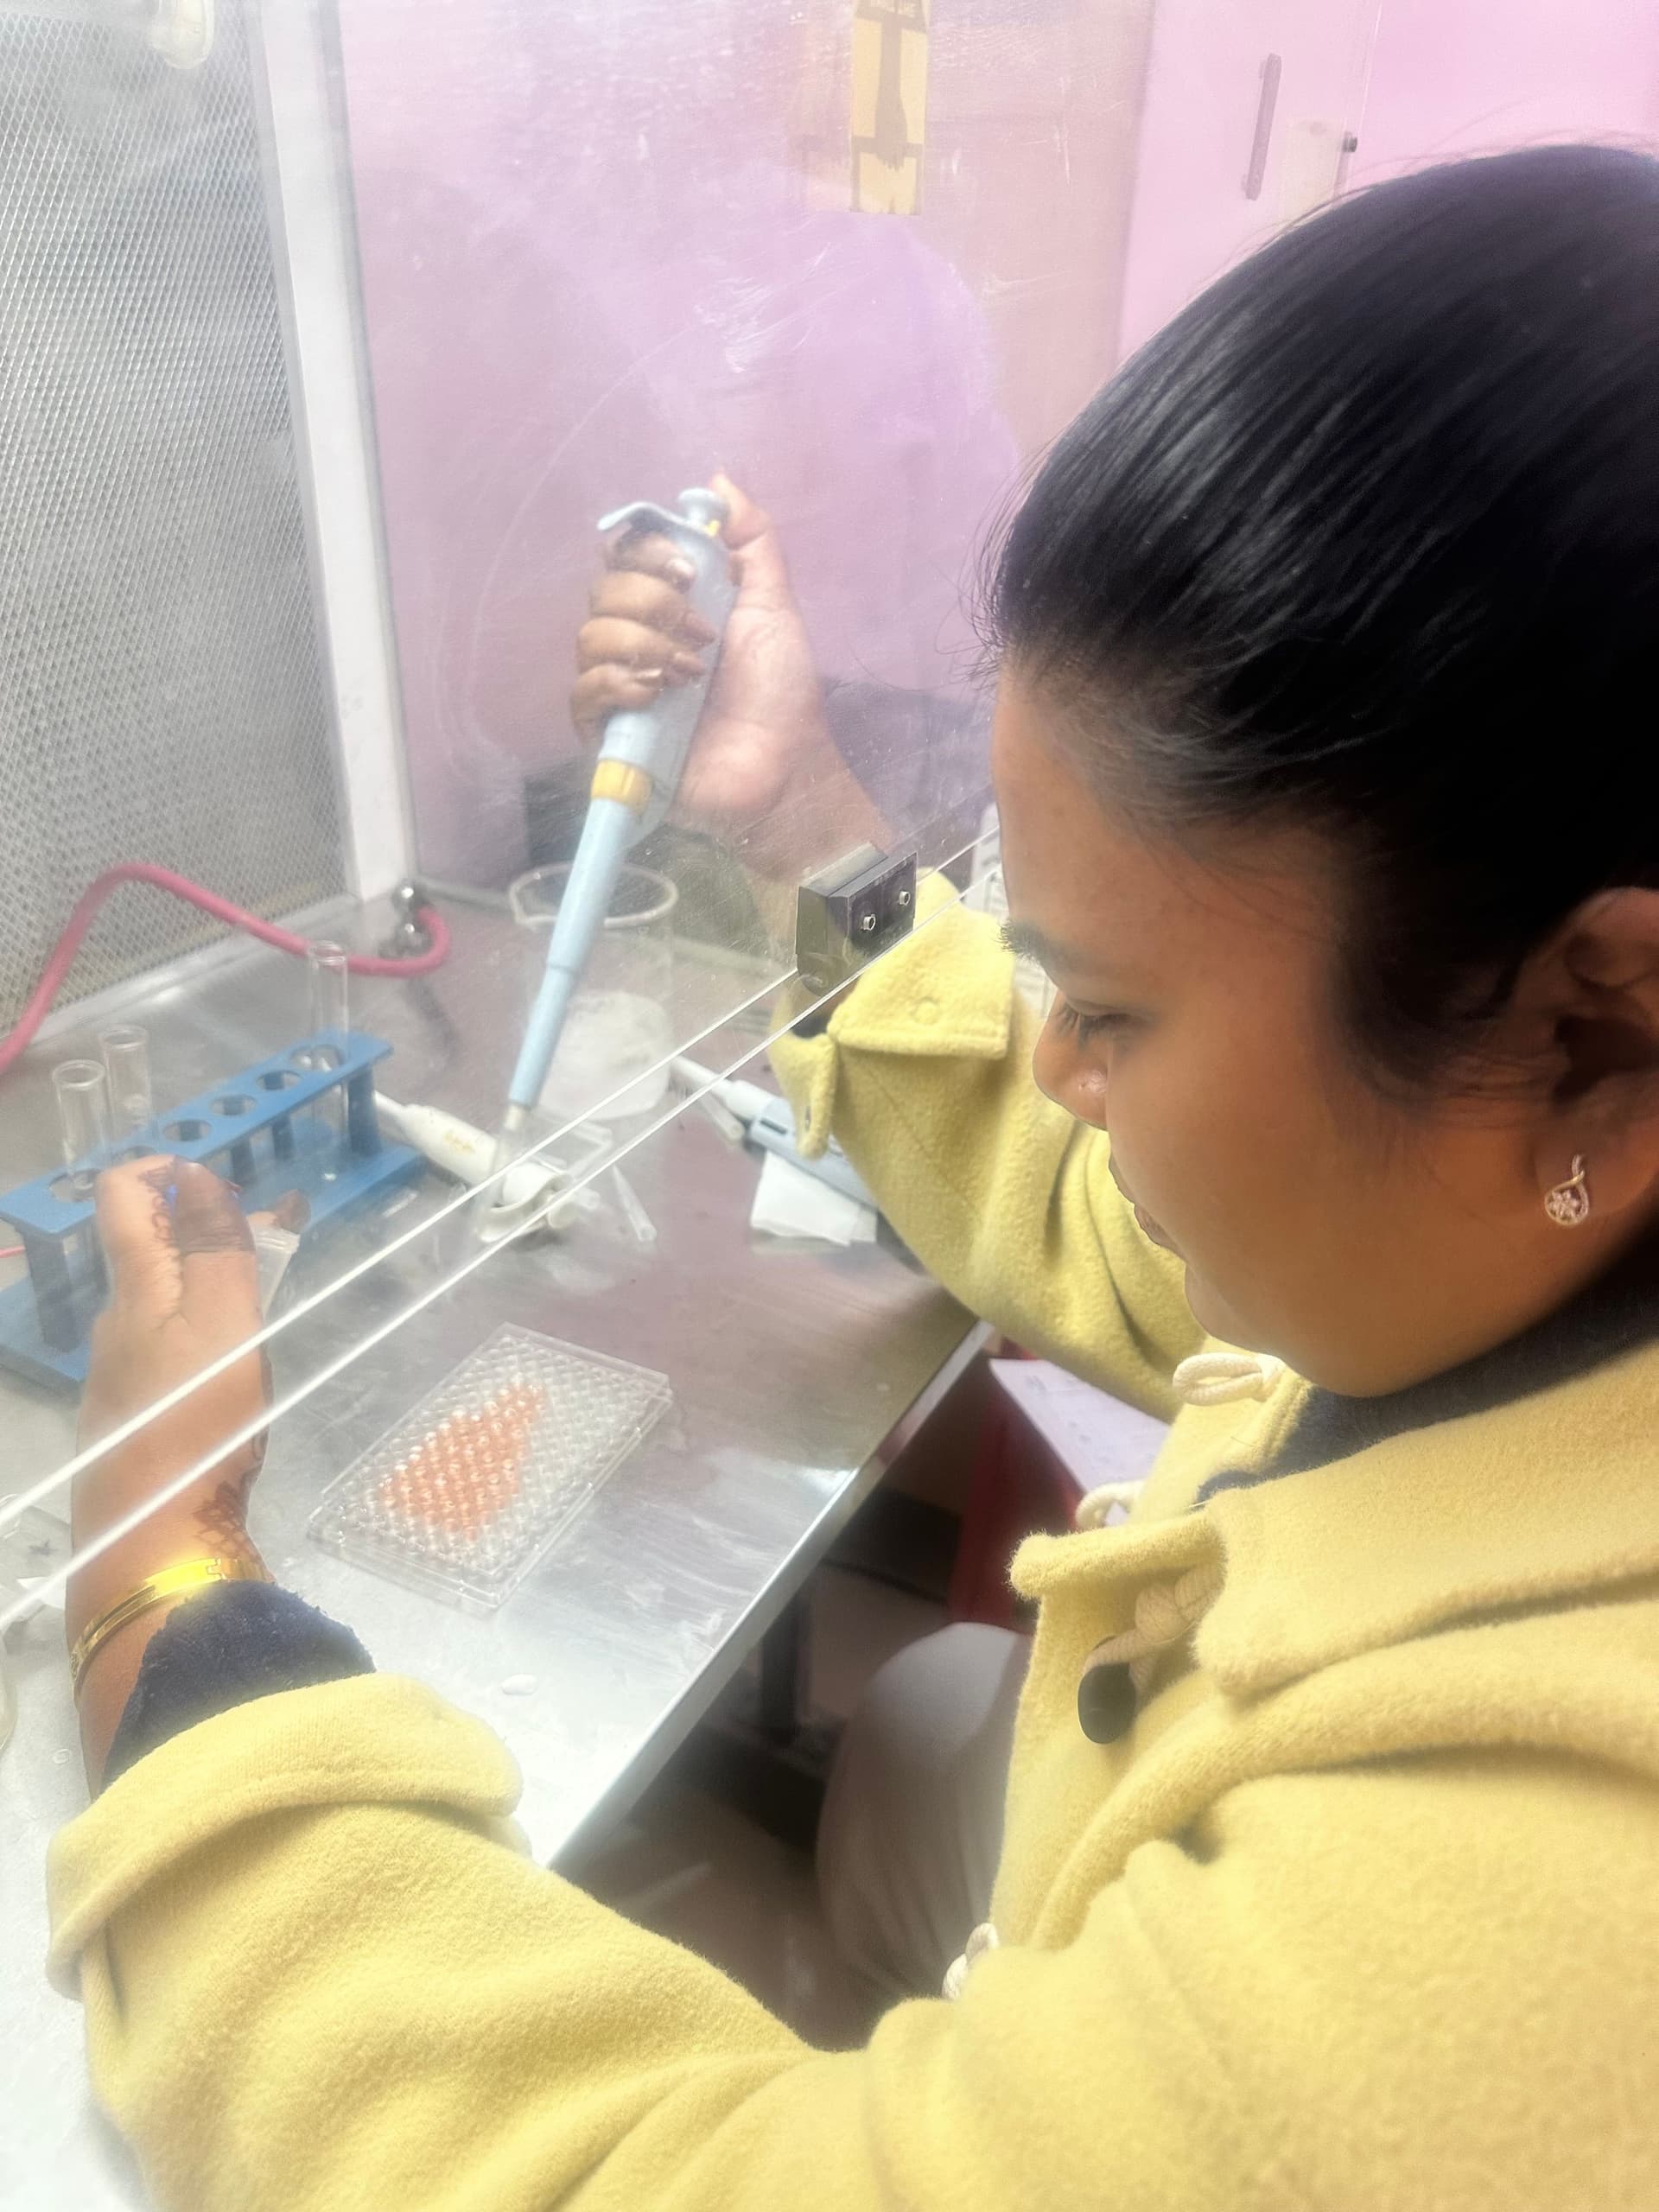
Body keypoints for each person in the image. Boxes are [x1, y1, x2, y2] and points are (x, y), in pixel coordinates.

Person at [49, 144, 1659, 2208]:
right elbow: (1165, 1244)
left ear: (1596, 1017)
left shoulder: (1520, 1935)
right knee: (918, 1734)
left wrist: (165, 1584)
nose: (1053, 1065)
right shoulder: (1525, 1218)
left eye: (1117, 1011)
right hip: (1078, 1773)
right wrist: (806, 816)